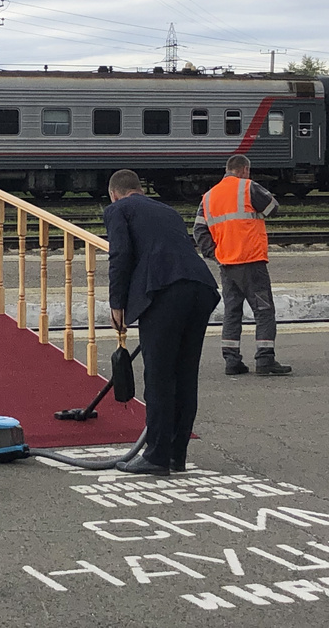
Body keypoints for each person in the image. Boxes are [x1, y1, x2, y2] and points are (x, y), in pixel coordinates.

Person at [104, 169, 220, 476]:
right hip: (201, 288)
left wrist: (117, 303)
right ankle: (175, 455)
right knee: (184, 375)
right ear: (140, 189)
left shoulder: (117, 209)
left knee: (158, 376)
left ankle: (155, 456)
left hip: (164, 292)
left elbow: (120, 255)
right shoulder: (167, 210)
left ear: (115, 193)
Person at [193, 154, 291, 375]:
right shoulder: (248, 187)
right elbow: (273, 208)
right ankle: (265, 359)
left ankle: (231, 360)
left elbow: (198, 230)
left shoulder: (208, 196)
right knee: (264, 309)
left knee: (232, 311)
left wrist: (216, 254)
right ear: (244, 170)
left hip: (227, 264)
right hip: (251, 261)